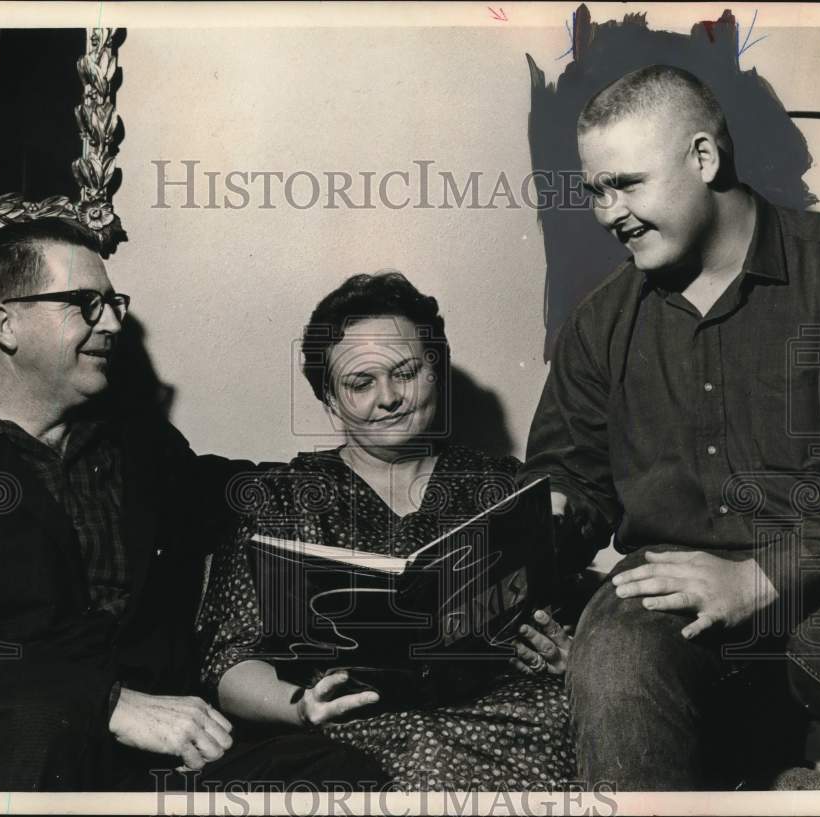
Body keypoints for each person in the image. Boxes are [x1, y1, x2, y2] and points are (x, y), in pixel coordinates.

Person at [0, 218, 384, 791]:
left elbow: (238, 490)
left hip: (171, 762)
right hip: (21, 760)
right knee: (31, 737)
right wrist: (104, 704)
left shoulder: (139, 448)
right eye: (85, 304)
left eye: (113, 302)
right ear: (6, 324)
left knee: (339, 776)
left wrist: (369, 455)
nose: (113, 323)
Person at [521, 65, 820, 790]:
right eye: (596, 191)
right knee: (614, 660)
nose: (609, 214)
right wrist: (548, 517)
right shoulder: (599, 322)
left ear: (704, 158)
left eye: (627, 184)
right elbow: (567, 474)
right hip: (669, 596)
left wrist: (762, 576)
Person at [199, 271, 576, 791]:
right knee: (420, 756)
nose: (389, 398)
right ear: (329, 399)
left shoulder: (499, 483)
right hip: (357, 728)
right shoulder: (281, 498)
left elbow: (549, 609)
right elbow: (230, 663)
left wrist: (558, 653)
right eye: (361, 383)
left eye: (406, 372)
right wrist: (301, 708)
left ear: (434, 371)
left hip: (504, 708)